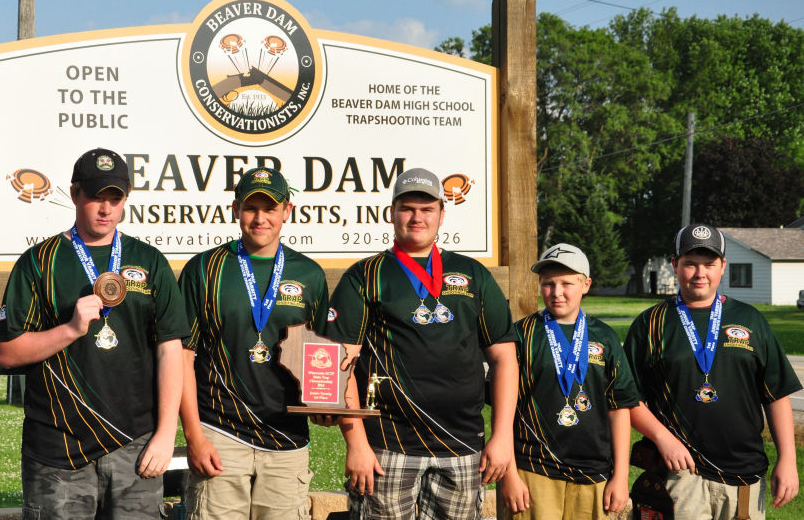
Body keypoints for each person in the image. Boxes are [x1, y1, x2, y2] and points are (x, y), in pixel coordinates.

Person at [0, 148, 187, 520]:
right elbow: (8, 352)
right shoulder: (38, 262)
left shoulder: (149, 261)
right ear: (74, 194)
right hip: (58, 449)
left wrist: (165, 434)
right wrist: (70, 329)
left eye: (115, 198)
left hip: (135, 445)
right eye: (96, 197)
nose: (106, 208)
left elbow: (170, 351)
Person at [325, 167, 518, 519]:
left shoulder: (473, 273)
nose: (417, 217)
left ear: (442, 214)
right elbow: (342, 364)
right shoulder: (365, 275)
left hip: (461, 447)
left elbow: (505, 358)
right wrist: (356, 444)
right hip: (386, 448)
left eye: (427, 209)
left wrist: (502, 436)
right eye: (408, 208)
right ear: (392, 212)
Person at [178, 167, 329, 520]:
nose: (260, 218)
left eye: (270, 208)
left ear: (287, 211)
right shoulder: (203, 269)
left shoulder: (308, 274)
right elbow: (182, 358)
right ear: (235, 209)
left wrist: (327, 405)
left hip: (287, 437)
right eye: (250, 208)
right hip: (220, 433)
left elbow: (323, 356)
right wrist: (194, 436)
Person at [624, 223, 801, 519]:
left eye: (709, 264)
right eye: (690, 264)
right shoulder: (651, 324)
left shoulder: (751, 320)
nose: (700, 273)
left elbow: (776, 394)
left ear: (723, 267)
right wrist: (663, 438)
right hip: (680, 473)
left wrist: (788, 461)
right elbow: (627, 398)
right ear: (674, 265)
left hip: (745, 474)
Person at [498, 243, 639, 519]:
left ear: (586, 284)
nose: (557, 292)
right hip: (532, 472)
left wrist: (621, 476)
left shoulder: (605, 337)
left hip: (595, 474)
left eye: (567, 283)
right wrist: (509, 475)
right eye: (548, 284)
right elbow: (505, 412)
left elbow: (619, 408)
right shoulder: (521, 335)